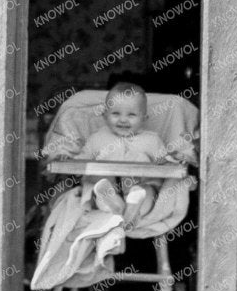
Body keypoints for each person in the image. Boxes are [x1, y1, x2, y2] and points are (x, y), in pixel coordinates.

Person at [46, 81, 182, 223]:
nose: (123, 120)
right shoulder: (97, 138)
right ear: (105, 115)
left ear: (144, 118)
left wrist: (175, 161)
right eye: (116, 113)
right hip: (108, 186)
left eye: (131, 115)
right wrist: (67, 159)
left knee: (147, 192)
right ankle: (113, 202)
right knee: (99, 185)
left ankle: (133, 206)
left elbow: (165, 162)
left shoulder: (152, 140)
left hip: (139, 185)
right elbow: (81, 161)